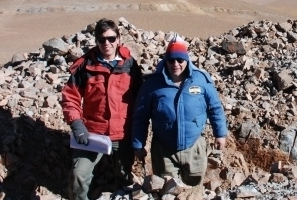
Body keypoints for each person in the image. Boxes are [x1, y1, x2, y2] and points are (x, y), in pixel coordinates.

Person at [61, 18, 143, 200]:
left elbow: (140, 100)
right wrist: (76, 123)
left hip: (122, 133)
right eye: (102, 39)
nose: (107, 43)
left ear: (119, 39)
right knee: (78, 175)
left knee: (124, 176)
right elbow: (70, 97)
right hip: (92, 133)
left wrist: (139, 132)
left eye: (111, 39)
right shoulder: (85, 66)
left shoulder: (129, 65)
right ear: (96, 40)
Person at [132, 34, 227, 186]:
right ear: (165, 60)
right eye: (171, 60)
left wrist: (220, 134)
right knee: (167, 191)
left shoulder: (200, 79)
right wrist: (138, 144)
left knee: (192, 190)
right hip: (164, 150)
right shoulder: (152, 84)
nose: (175, 64)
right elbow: (140, 117)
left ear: (186, 60)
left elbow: (215, 108)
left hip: (194, 147)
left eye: (180, 60)